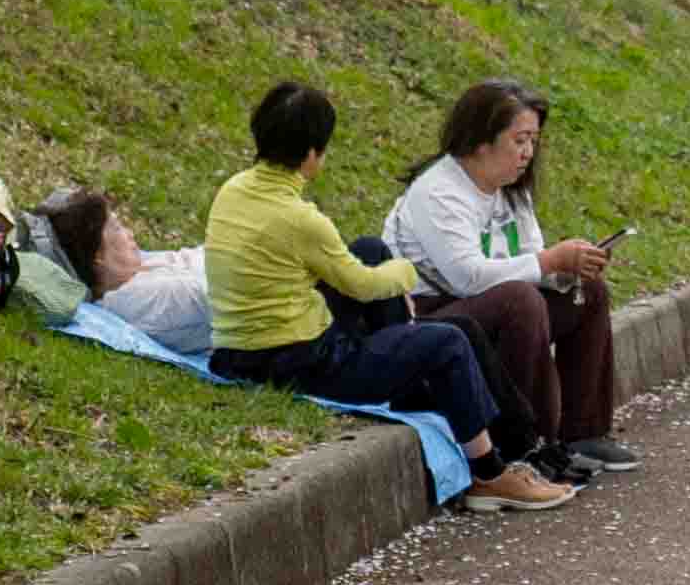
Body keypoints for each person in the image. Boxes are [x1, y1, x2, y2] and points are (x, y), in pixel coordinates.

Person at [203, 78, 566, 511]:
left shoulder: (233, 190)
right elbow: (362, 285)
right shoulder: (301, 219)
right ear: (313, 153)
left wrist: (385, 266)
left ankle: (409, 372)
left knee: (371, 249)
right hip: (296, 360)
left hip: (235, 350)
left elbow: (353, 269)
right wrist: (404, 272)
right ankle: (489, 473)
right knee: (449, 340)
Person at [386, 79, 625, 483]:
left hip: (493, 303)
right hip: (431, 317)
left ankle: (582, 433)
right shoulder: (438, 192)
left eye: (533, 141)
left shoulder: (510, 189)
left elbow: (529, 257)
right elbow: (468, 277)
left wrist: (566, 270)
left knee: (589, 294)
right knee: (519, 300)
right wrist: (549, 260)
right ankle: (531, 444)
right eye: (519, 140)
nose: (528, 153)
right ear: (481, 141)